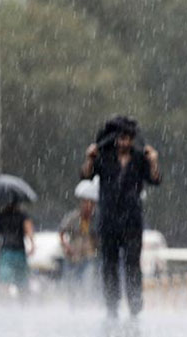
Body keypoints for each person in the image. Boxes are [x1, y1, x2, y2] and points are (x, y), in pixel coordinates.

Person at [81, 115, 161, 318]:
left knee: (133, 263)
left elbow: (155, 179)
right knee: (109, 263)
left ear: (132, 139)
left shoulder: (140, 158)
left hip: (132, 219)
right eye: (121, 138)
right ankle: (111, 305)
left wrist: (153, 162)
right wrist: (89, 158)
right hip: (108, 219)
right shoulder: (103, 156)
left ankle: (135, 304)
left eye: (128, 138)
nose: (125, 142)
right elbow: (85, 175)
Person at [59, 197, 98, 307]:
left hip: (88, 256)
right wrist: (66, 246)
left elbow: (98, 237)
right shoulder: (73, 217)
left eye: (91, 205)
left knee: (87, 284)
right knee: (72, 285)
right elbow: (61, 231)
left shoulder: (95, 219)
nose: (88, 208)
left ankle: (85, 306)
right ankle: (74, 306)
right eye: (86, 204)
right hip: (73, 256)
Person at [0, 202, 35, 300]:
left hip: (6, 252)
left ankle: (5, 303)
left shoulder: (0, 216)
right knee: (21, 281)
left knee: (5, 281)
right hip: (19, 251)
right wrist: (32, 244)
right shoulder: (22, 216)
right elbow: (29, 230)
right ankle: (23, 303)